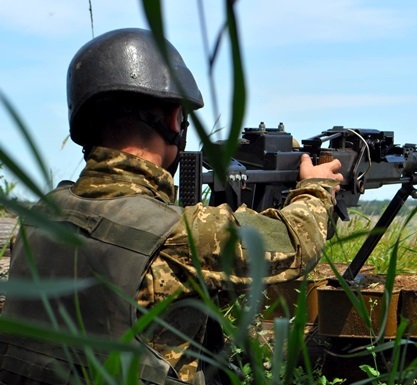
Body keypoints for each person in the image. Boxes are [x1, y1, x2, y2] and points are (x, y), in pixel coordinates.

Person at [0, 28, 343, 385]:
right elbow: (297, 241)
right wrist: (316, 187)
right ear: (174, 120)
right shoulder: (183, 236)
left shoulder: (40, 217)